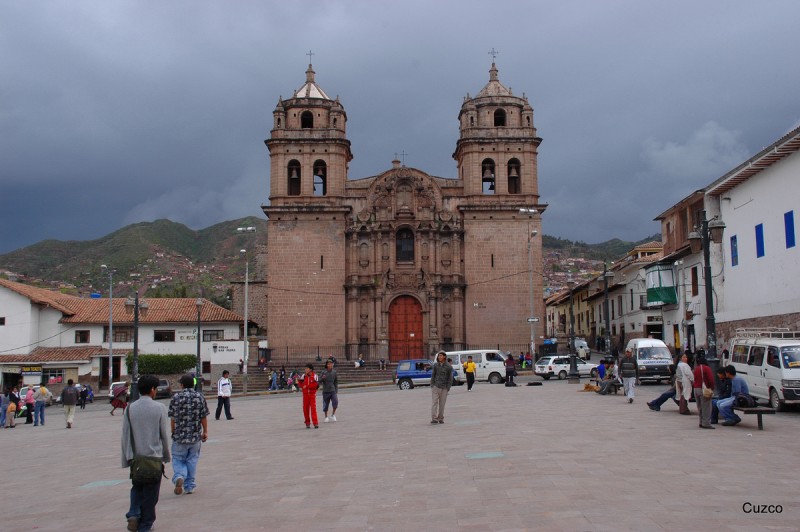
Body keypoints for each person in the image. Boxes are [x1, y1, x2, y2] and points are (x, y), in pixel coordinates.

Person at [121, 375, 171, 532]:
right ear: (152, 390)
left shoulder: (130, 408)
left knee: (136, 488)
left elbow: (126, 435)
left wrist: (127, 458)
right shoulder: (160, 408)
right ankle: (145, 524)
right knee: (151, 494)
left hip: (136, 459)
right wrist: (166, 456)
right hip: (153, 458)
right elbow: (163, 434)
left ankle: (134, 514)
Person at [168, 374, 209, 496]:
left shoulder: (176, 397)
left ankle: (179, 476)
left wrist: (173, 431)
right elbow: (203, 416)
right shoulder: (199, 397)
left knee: (178, 459)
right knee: (192, 460)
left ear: (181, 385)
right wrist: (205, 431)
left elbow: (173, 417)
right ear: (194, 384)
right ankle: (189, 485)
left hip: (179, 436)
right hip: (195, 435)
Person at [430, 351, 453, 424]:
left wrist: (448, 387)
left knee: (442, 404)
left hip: (444, 388)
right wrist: (432, 385)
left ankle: (440, 418)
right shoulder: (436, 365)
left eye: (441, 356)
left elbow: (450, 378)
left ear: (444, 357)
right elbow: (433, 375)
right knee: (434, 403)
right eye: (438, 356)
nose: (439, 357)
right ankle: (434, 418)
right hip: (436, 387)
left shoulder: (449, 366)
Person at [693, 357, 715, 429]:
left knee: (700, 407)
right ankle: (706, 423)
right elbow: (711, 379)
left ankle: (701, 422)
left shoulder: (696, 368)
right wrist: (711, 388)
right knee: (706, 407)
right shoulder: (706, 368)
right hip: (704, 389)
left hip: (696, 389)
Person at [299, 363, 320, 428]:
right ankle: (307, 423)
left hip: (312, 395)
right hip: (305, 395)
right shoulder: (303, 376)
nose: (306, 370)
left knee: (313, 409)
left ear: (310, 369)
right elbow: (300, 383)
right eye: (305, 368)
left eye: (307, 368)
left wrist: (307, 386)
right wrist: (302, 387)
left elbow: (315, 385)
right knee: (305, 409)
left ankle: (315, 423)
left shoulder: (315, 376)